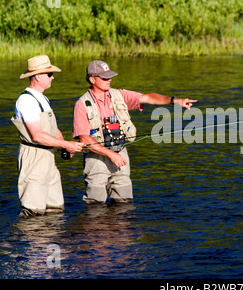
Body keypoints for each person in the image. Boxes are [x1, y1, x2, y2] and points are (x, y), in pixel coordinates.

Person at [73, 60, 197, 204]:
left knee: (124, 202)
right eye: (105, 77)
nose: (110, 80)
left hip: (120, 153)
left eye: (110, 76)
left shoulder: (119, 95)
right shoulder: (81, 104)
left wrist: (175, 100)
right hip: (96, 159)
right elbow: (85, 139)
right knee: (96, 204)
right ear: (92, 79)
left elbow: (148, 97)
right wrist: (110, 154)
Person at [11, 55, 84, 218]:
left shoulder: (42, 98)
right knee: (33, 211)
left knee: (54, 208)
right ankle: (33, 241)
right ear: (38, 76)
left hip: (48, 156)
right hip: (34, 157)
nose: (53, 78)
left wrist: (65, 143)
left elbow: (52, 128)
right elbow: (37, 135)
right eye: (49, 74)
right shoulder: (26, 101)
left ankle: (52, 241)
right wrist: (64, 145)